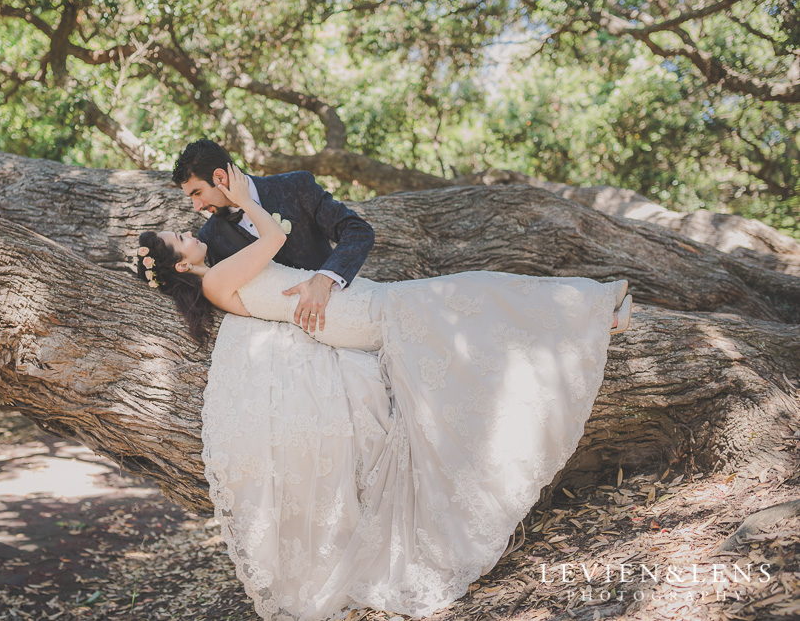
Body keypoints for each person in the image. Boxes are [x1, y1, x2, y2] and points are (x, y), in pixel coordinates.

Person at [137, 164, 633, 620]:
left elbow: (321, 238)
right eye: (181, 237)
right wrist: (245, 199)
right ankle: (593, 313)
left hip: (341, 306)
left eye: (189, 213)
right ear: (182, 267)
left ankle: (589, 313)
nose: (193, 227)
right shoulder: (218, 278)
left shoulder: (222, 267)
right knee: (469, 292)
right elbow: (270, 236)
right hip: (345, 315)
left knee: (466, 296)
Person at [171, 138, 374, 334]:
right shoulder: (211, 237)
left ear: (220, 178)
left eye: (197, 193)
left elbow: (358, 231)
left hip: (343, 306)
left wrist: (323, 280)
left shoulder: (294, 186)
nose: (197, 206)